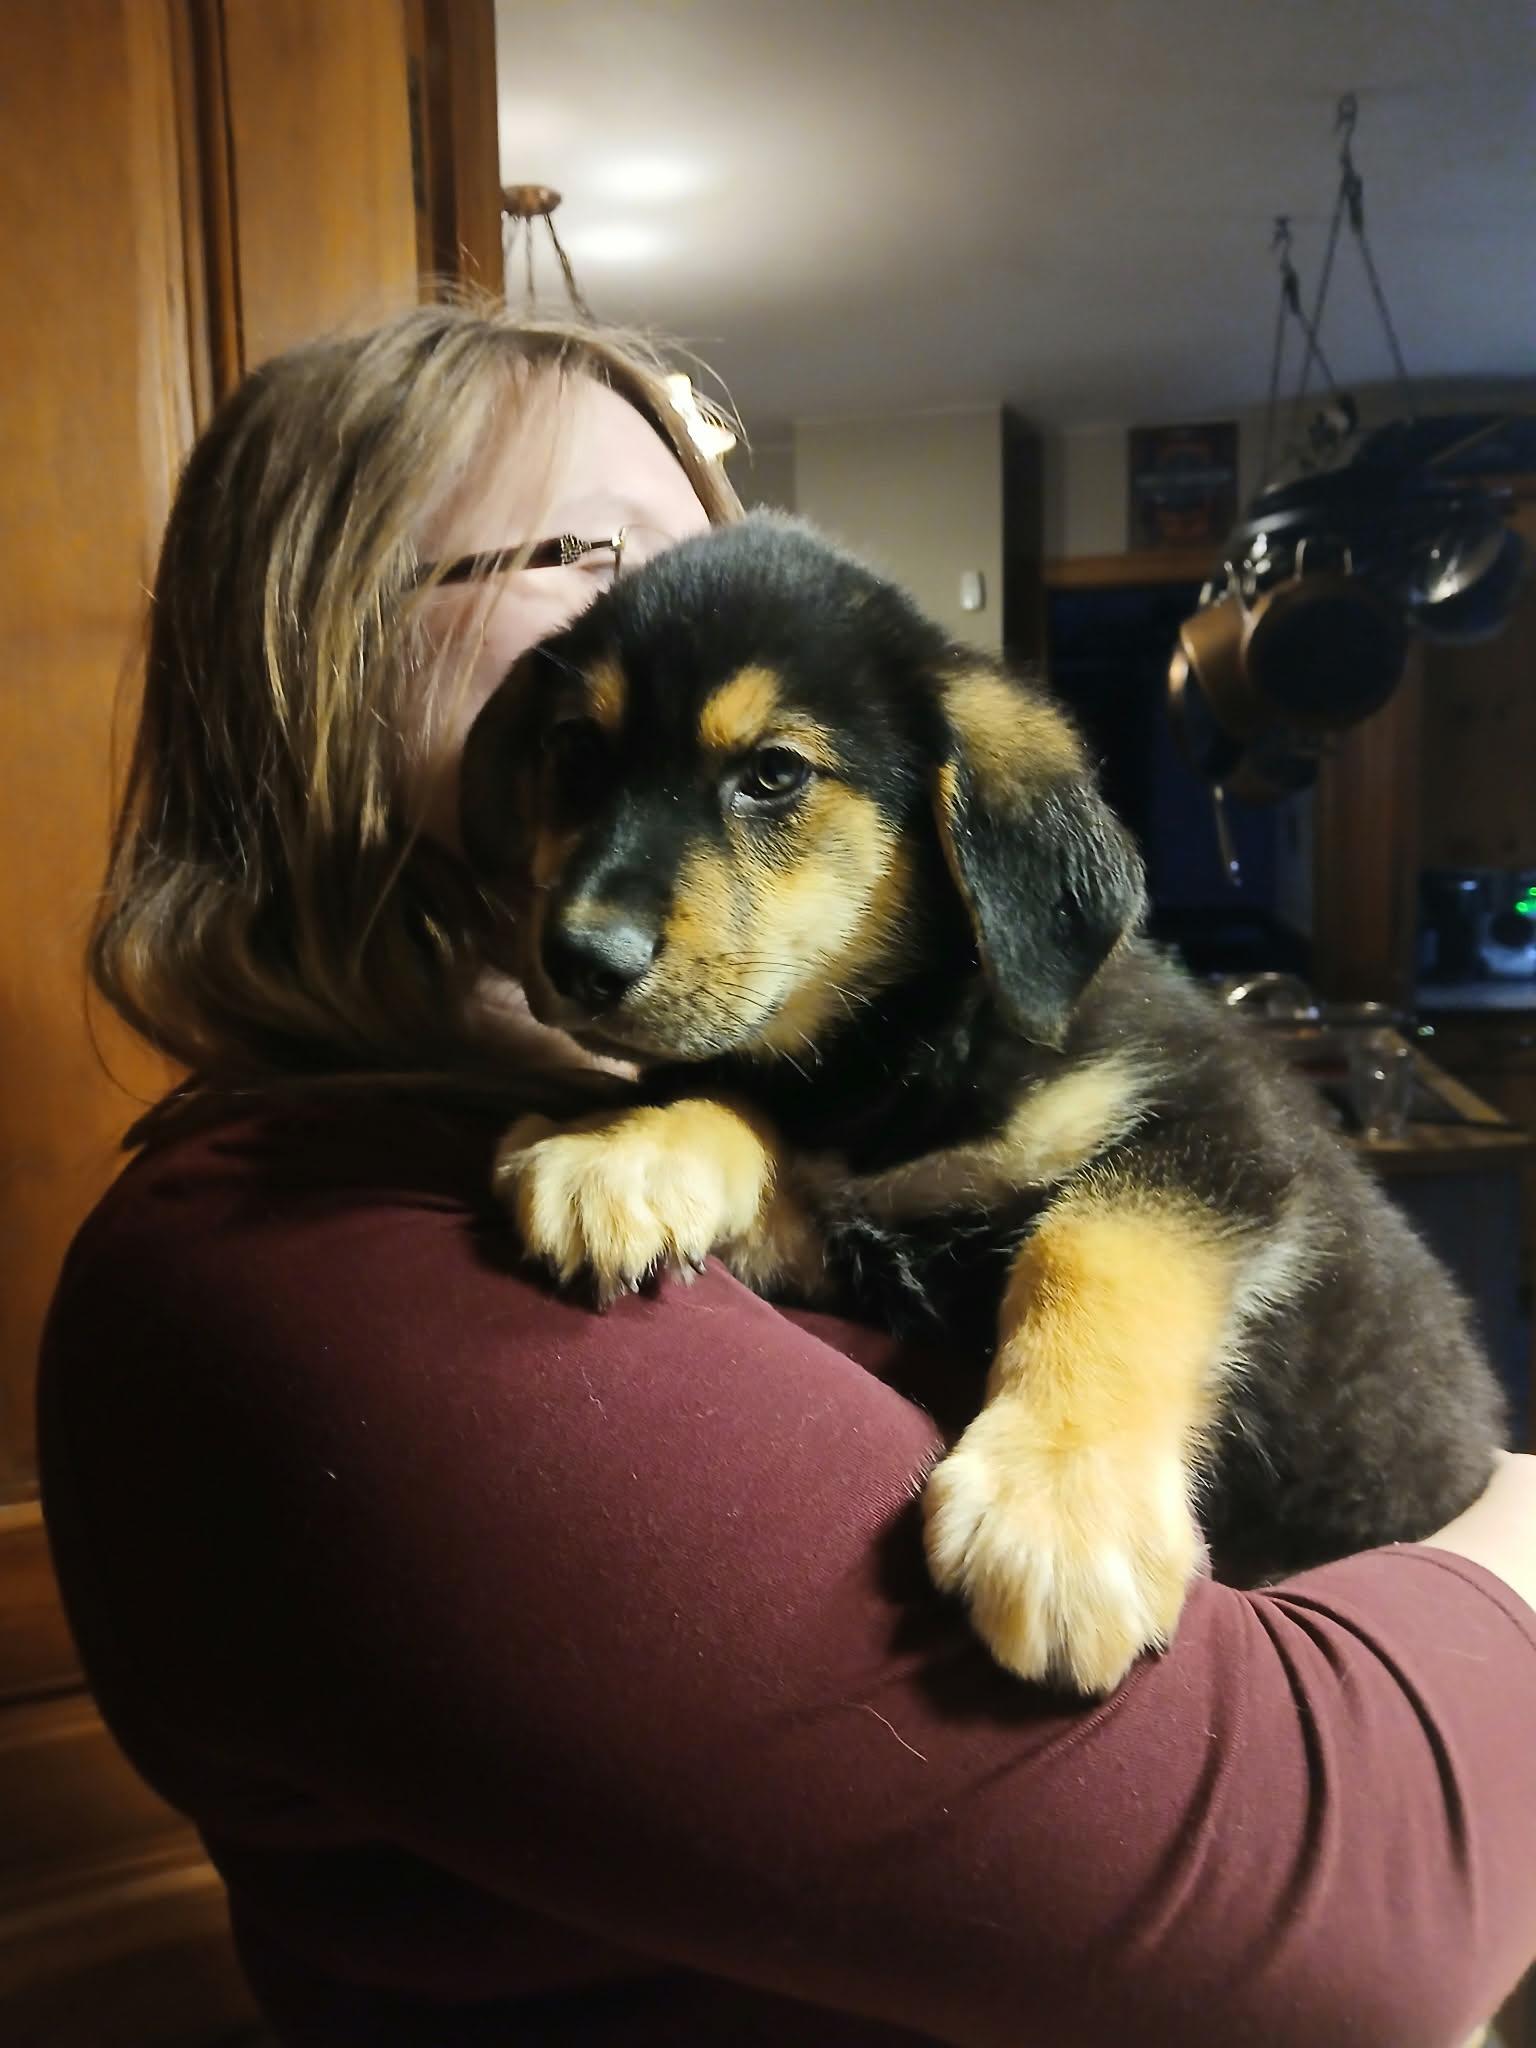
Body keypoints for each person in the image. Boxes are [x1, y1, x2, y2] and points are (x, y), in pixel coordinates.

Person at [37, 301, 1536, 2048]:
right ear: (318, 646)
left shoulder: (597, 1116)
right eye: (605, 549)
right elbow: (1328, 1918)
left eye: (711, 532)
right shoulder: (315, 1269)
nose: (697, 590)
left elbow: (1149, 1165)